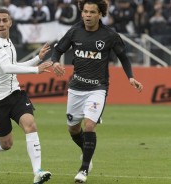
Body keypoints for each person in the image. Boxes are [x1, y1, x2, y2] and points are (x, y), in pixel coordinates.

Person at [51, 0, 143, 183]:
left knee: (90, 125)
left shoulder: (110, 35)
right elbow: (58, 50)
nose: (87, 15)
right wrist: (54, 62)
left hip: (98, 88)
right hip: (76, 88)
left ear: (100, 14)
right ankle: (87, 154)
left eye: (92, 12)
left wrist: (130, 77)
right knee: (73, 129)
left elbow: (123, 57)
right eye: (85, 11)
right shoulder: (74, 31)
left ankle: (83, 170)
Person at [0, 8, 52, 184]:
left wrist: (36, 59)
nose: (1, 24)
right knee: (6, 144)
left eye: (4, 20)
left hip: (14, 94)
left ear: (10, 22)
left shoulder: (8, 42)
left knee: (30, 125)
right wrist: (35, 70)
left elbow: (14, 65)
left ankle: (38, 172)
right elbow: (7, 68)